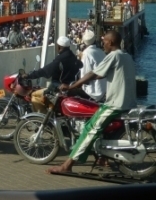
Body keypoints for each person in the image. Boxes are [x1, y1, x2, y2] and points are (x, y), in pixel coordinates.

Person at [46, 31, 137, 174]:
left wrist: (72, 86)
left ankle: (67, 166)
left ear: (111, 42)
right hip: (129, 102)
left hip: (115, 104)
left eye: (105, 41)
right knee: (104, 129)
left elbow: (94, 74)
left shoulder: (114, 56)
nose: (103, 44)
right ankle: (102, 157)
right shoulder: (127, 56)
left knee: (90, 129)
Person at [22, 36, 83, 114]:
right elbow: (80, 65)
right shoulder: (73, 57)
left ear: (59, 47)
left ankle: (43, 120)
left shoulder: (60, 59)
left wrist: (29, 75)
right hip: (71, 87)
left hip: (58, 88)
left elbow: (45, 71)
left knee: (34, 95)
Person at [75, 30, 107, 102]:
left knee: (69, 92)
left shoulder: (86, 54)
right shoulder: (101, 52)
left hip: (93, 92)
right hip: (104, 90)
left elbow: (85, 77)